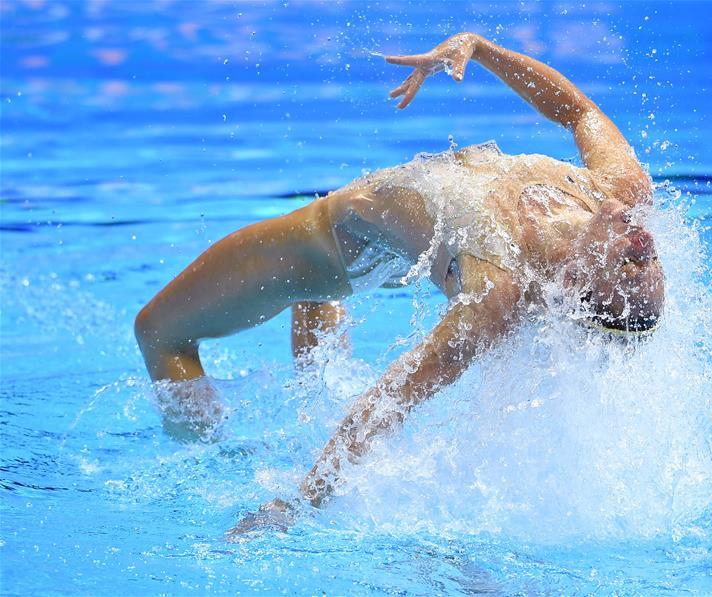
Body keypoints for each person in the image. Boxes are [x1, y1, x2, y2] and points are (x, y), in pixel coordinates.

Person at [133, 32, 665, 537]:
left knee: (158, 330)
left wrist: (300, 502)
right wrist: (478, 48)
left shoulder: (496, 285)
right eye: (649, 256)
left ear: (574, 279)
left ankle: (198, 454)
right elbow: (578, 112)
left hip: (338, 245)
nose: (640, 238)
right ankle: (307, 394)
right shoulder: (618, 193)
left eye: (628, 260)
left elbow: (393, 399)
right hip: (410, 247)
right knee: (311, 302)